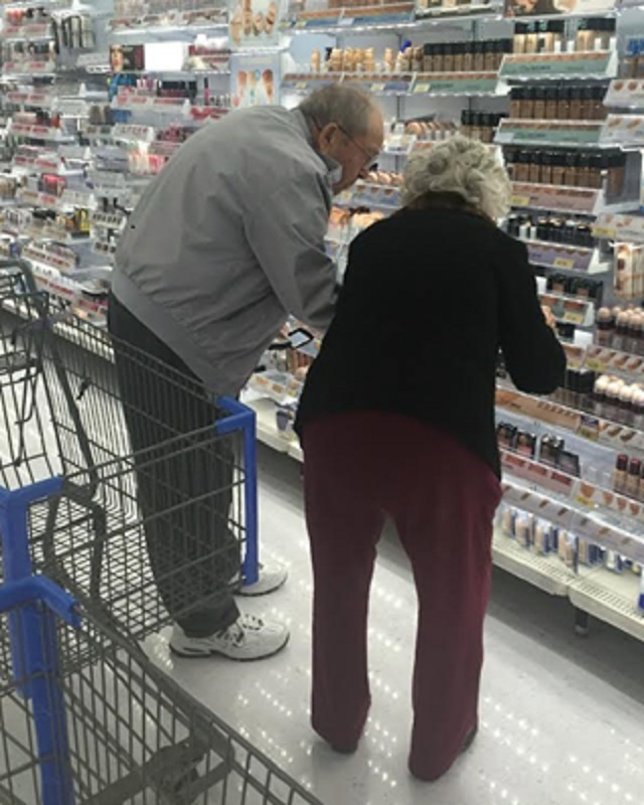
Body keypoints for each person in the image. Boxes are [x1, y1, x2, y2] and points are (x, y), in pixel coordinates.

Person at [294, 136, 566, 780]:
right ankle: (436, 748)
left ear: (417, 184)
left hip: (338, 424)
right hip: (440, 444)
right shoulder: (500, 252)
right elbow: (537, 372)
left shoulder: (373, 241)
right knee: (451, 600)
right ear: (489, 195)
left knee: (338, 583)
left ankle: (336, 723)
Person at [108, 84, 385, 662]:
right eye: (368, 157)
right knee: (181, 476)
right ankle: (202, 622)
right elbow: (309, 289)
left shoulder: (266, 125)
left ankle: (216, 569)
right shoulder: (291, 169)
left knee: (205, 459)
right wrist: (382, 333)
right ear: (332, 137)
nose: (366, 172)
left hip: (157, 303)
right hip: (170, 327)